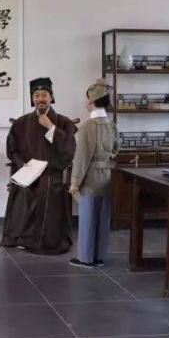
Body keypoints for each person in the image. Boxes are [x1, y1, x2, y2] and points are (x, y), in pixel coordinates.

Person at [0, 77, 77, 255]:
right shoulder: (21, 123)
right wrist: (23, 166)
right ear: (32, 98)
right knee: (25, 190)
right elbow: (13, 149)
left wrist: (51, 128)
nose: (40, 99)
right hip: (28, 172)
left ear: (51, 97)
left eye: (44, 95)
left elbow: (69, 150)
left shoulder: (63, 122)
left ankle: (46, 240)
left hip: (51, 172)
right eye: (36, 95)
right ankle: (23, 238)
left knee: (46, 189)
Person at [69, 80, 118, 268]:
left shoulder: (87, 126)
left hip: (90, 176)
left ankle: (85, 258)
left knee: (88, 217)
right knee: (103, 217)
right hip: (107, 174)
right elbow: (116, 149)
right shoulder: (111, 123)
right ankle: (99, 256)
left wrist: (75, 182)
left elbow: (81, 157)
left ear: (91, 101)